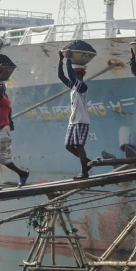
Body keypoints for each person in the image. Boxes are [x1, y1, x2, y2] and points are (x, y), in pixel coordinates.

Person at [0, 65, 29, 192]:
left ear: (0, 89)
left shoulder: (4, 100)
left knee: (3, 158)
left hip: (3, 130)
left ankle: (22, 173)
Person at [57, 50, 92, 179]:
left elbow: (70, 77)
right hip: (73, 121)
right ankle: (87, 162)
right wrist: (61, 61)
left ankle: (84, 172)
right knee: (68, 145)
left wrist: (68, 59)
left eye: (77, 73)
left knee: (79, 145)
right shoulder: (74, 86)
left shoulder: (82, 86)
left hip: (81, 120)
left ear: (81, 75)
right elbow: (61, 76)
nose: (76, 76)